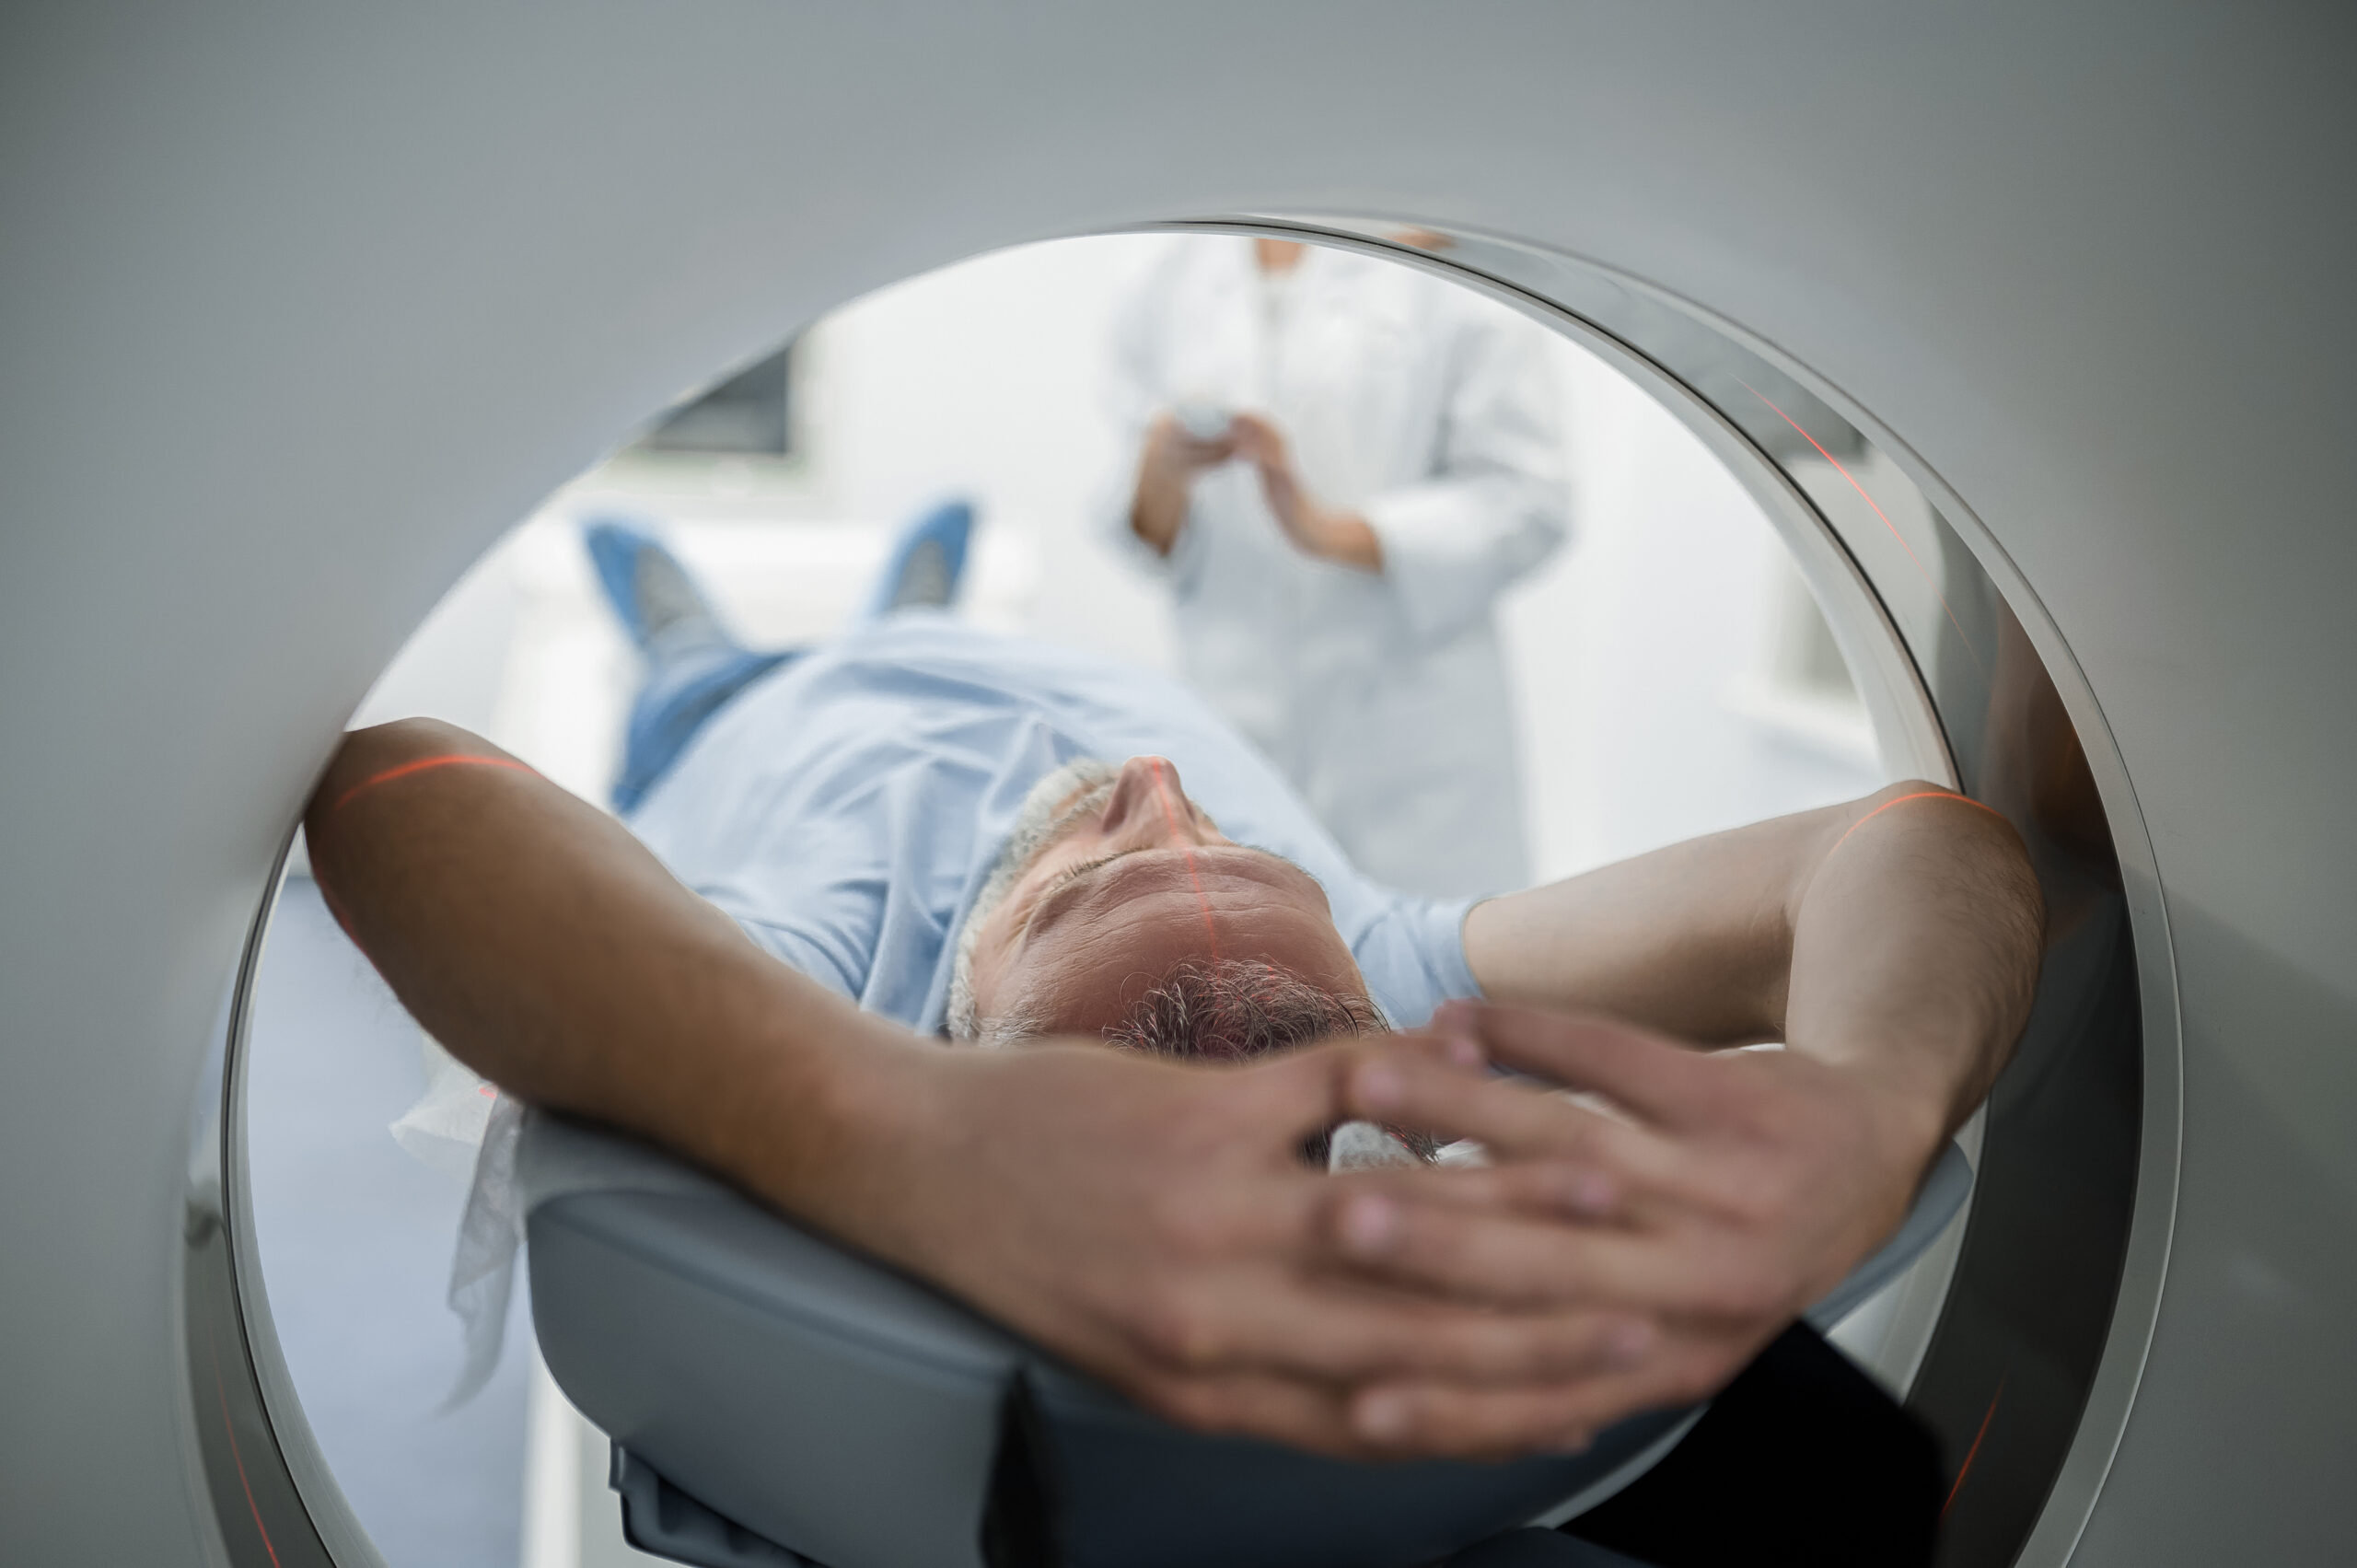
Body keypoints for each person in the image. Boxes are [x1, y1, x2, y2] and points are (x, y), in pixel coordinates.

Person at [307, 526, 2042, 1462]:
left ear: (956, 1034)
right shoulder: (1402, 964)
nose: (1153, 781)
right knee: (918, 588)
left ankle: (715, 621)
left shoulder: (838, 961)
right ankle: (908, 583)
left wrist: (871, 1119)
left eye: (1084, 876)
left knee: (690, 657)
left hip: (778, 717)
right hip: (1038, 654)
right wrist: (1879, 1097)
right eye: (1208, 842)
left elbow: (400, 786)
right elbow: (1912, 845)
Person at [1100, 235, 1569, 898]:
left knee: (1425, 983)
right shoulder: (1161, 271)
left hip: (1410, 739)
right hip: (1233, 717)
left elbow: (1532, 499)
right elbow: (1141, 526)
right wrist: (1162, 469)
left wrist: (1330, 531)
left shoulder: (1448, 259)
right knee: (1250, 974)